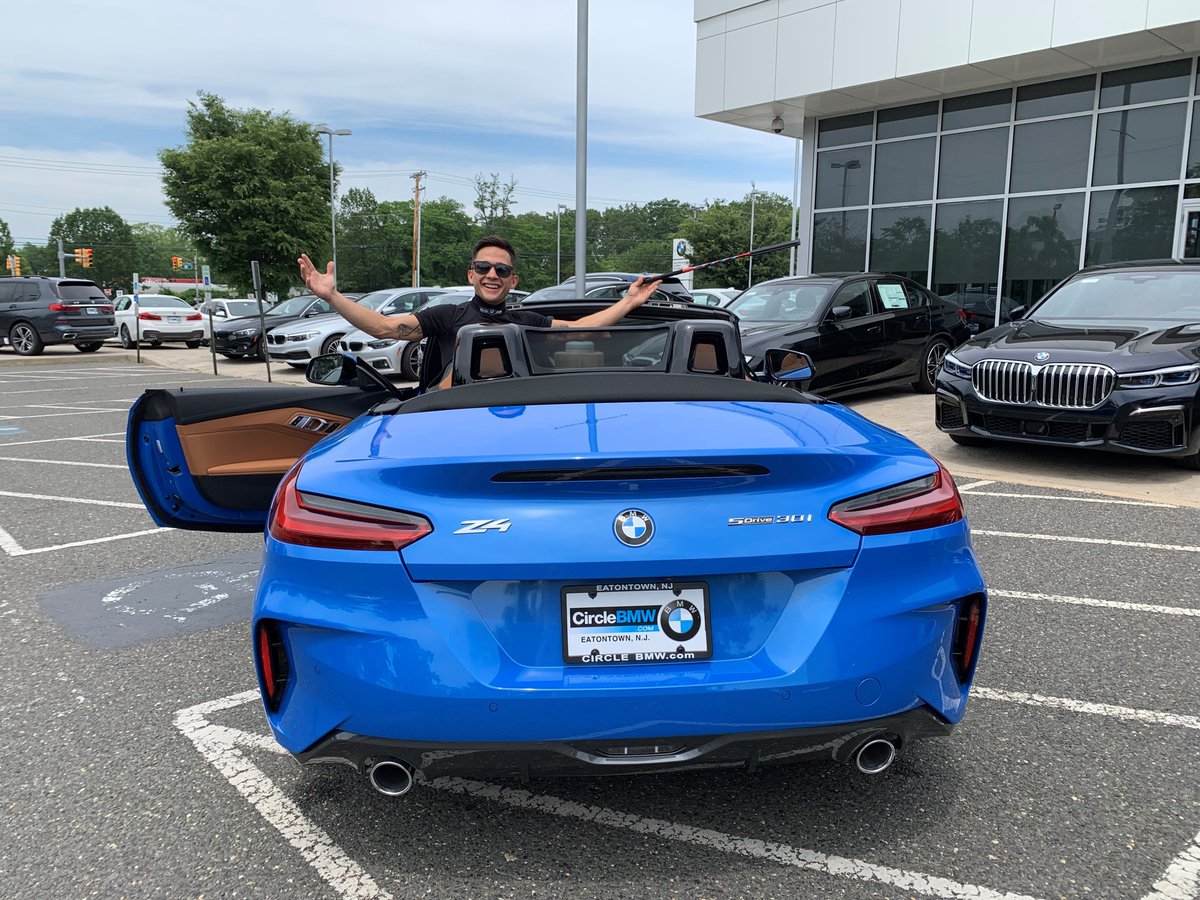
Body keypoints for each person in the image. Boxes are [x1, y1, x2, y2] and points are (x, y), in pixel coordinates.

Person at [297, 236, 661, 390]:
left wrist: (629, 302)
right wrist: (332, 296)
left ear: (513, 280)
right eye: (483, 267)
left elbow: (581, 329)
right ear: (471, 275)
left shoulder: (525, 321)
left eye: (501, 270)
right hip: (450, 417)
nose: (492, 275)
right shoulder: (446, 316)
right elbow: (384, 328)